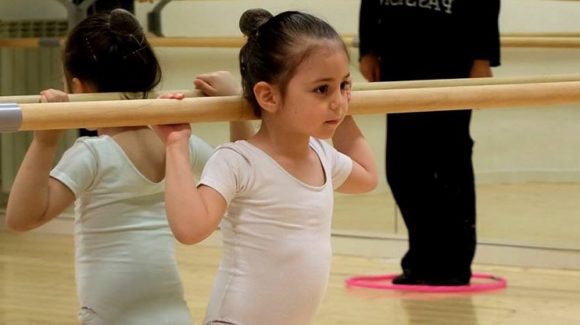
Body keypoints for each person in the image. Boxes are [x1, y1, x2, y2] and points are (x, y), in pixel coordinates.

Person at [4, 9, 250, 324]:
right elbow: (239, 170)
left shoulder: (93, 154)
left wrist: (45, 142)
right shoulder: (177, 144)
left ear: (77, 87)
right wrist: (233, 107)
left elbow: (22, 218)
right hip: (173, 315)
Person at [154, 8, 378, 325]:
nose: (339, 99)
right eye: (322, 89)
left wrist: (339, 110)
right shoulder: (237, 160)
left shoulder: (321, 154)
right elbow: (190, 229)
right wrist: (176, 145)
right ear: (268, 97)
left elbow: (367, 178)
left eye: (344, 85)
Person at [358, 0, 501, 285]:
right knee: (403, 167)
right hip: (398, 55)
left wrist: (482, 58)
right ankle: (420, 260)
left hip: (452, 55)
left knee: (448, 163)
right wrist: (368, 48)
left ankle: (454, 265)